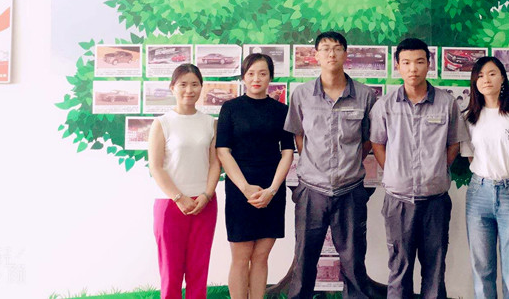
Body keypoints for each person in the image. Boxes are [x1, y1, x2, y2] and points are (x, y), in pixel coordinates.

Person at [370, 37, 470, 299]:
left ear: (429, 64)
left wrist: (436, 169)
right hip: (398, 201)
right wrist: (394, 171)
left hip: (435, 201)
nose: (412, 68)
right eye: (406, 62)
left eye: (419, 62)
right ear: (397, 66)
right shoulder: (385, 105)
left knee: (434, 268)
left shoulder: (447, 103)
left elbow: (453, 144)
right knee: (399, 268)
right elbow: (377, 143)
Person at [284, 31, 377, 299]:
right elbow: (299, 135)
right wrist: (314, 164)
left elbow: (369, 139)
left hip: (350, 190)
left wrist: (350, 162)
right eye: (325, 48)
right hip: (311, 190)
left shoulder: (364, 95)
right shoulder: (302, 95)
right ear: (316, 56)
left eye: (337, 48)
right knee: (304, 259)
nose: (331, 53)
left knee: (354, 261)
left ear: (346, 54)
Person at [460, 56, 509, 299]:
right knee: (482, 267)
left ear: (503, 78)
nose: (486, 79)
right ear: (474, 82)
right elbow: (471, 158)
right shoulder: (469, 117)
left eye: (492, 73)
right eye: (480, 75)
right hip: (479, 194)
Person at [216, 53, 295, 299]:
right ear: (243, 77)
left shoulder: (282, 110)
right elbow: (223, 151)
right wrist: (245, 188)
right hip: (240, 190)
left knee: (261, 256)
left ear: (271, 77)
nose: (256, 78)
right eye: (250, 73)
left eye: (262, 73)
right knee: (241, 257)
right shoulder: (230, 108)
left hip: (272, 189)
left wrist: (272, 189)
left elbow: (287, 152)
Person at [148, 63, 220, 299]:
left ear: (201, 87)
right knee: (171, 271)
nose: (189, 90)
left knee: (199, 269)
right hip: (170, 205)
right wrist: (179, 198)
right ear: (172, 88)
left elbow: (214, 164)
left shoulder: (210, 122)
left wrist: (207, 195)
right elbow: (156, 167)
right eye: (183, 84)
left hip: (204, 203)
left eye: (195, 84)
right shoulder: (162, 123)